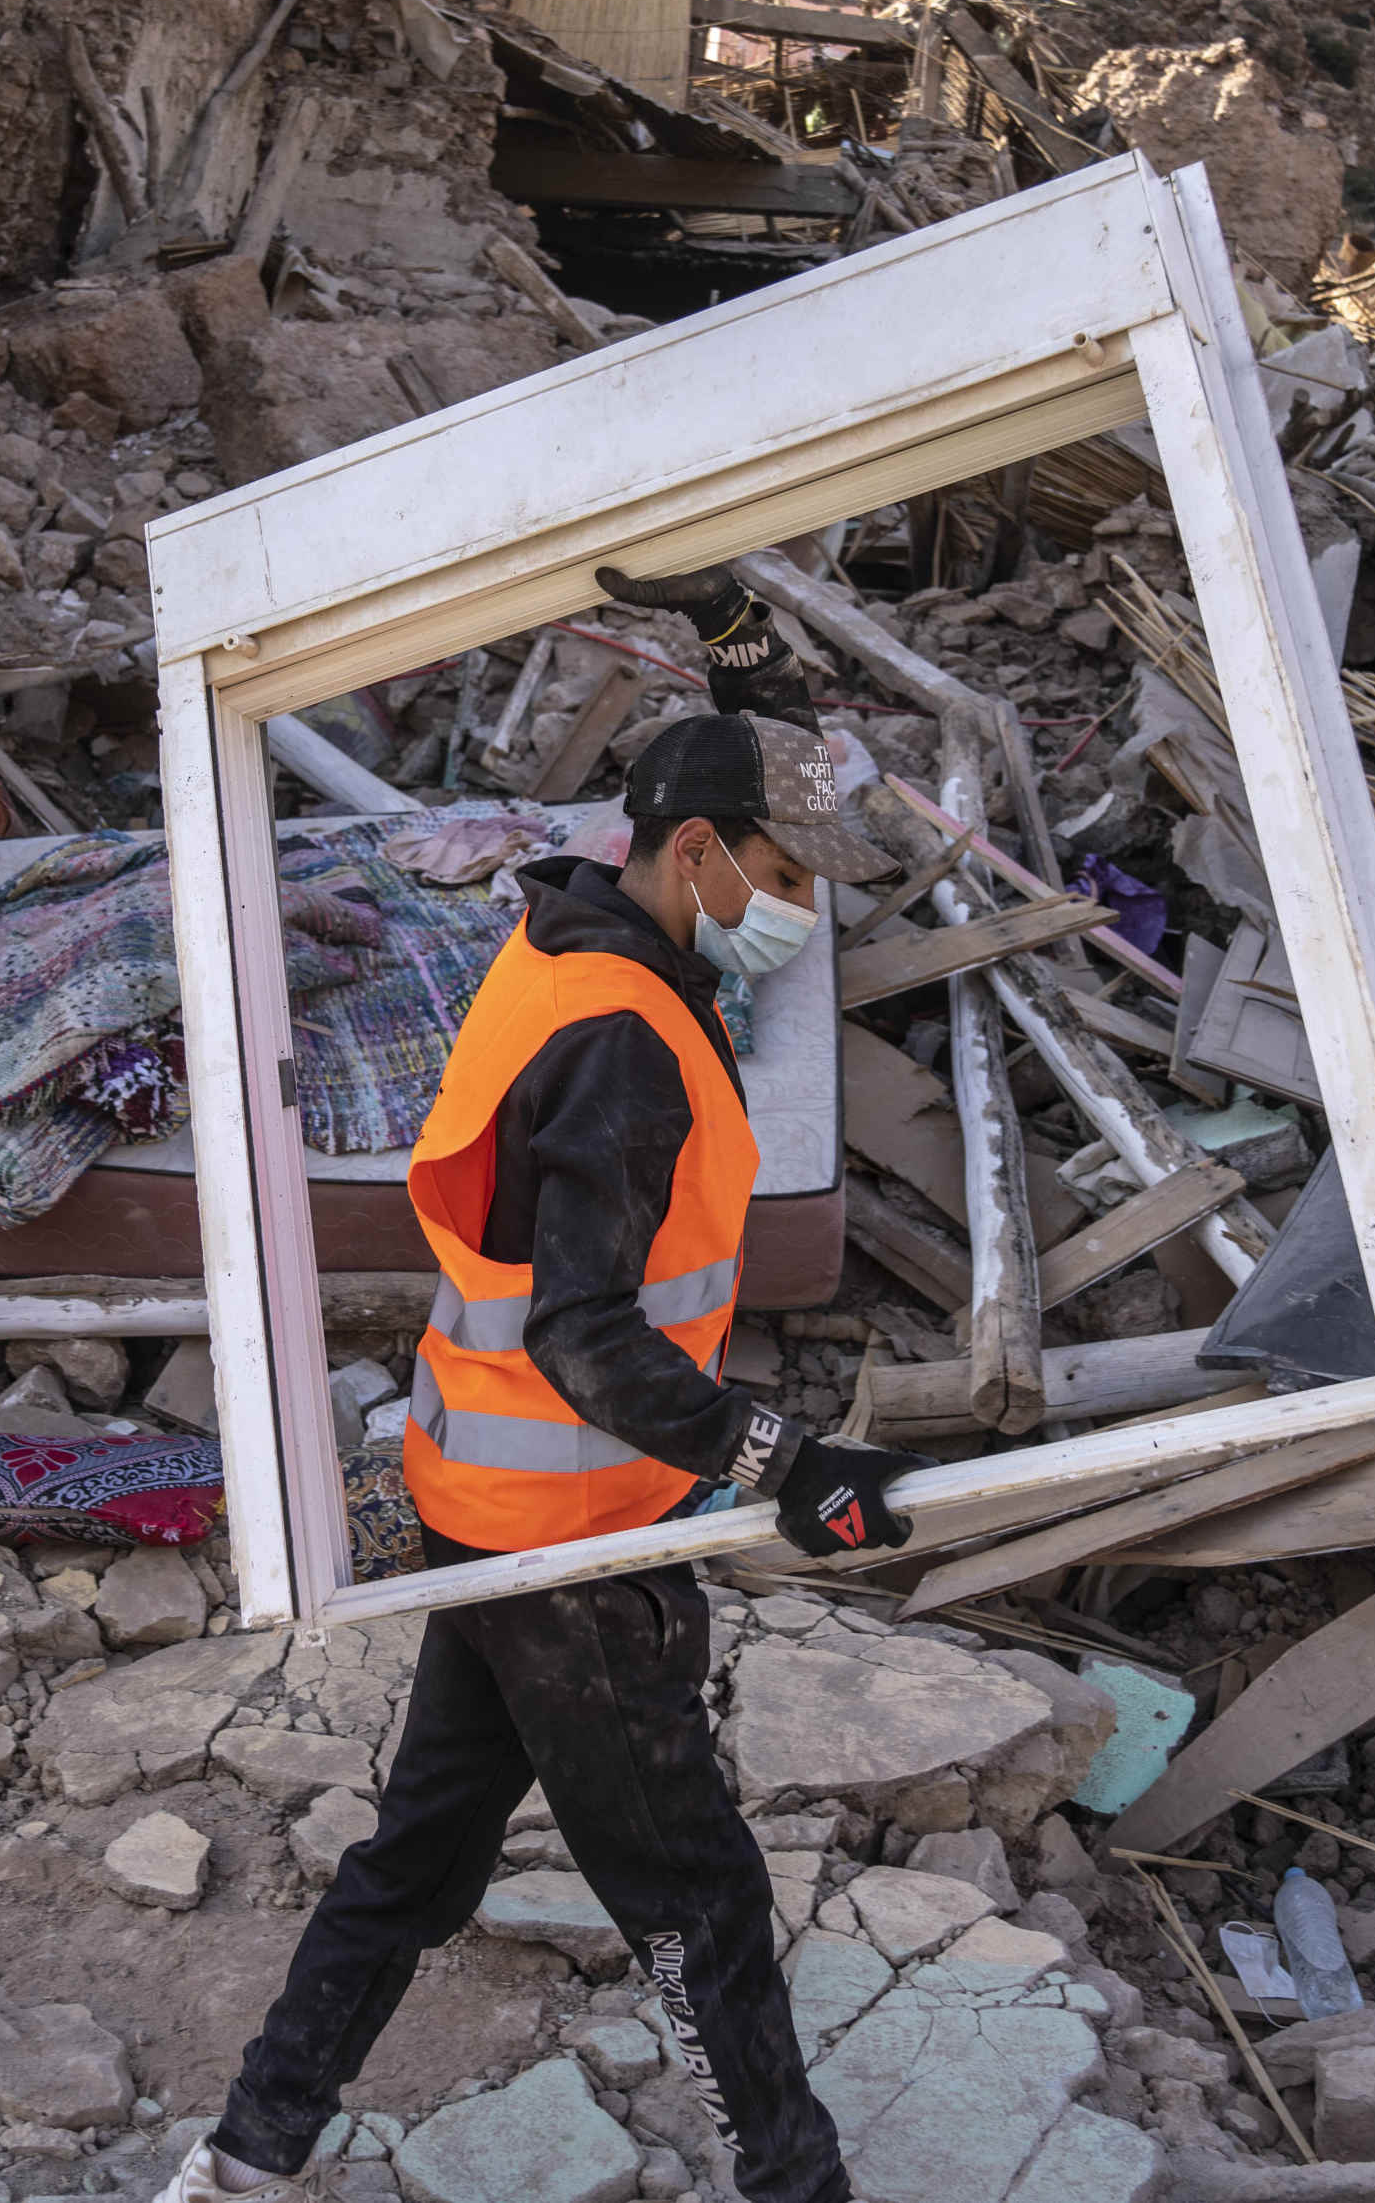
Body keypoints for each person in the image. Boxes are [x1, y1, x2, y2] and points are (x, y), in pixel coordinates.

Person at [149, 622, 926, 2203]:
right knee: (692, 1899)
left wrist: (742, 667)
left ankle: (245, 2159)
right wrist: (782, 1463)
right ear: (696, 849)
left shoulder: (570, 943)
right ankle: (795, 2184)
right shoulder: (621, 1047)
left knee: (421, 1857)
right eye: (790, 868)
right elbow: (585, 1335)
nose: (807, 904)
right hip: (575, 1541)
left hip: (485, 1495)